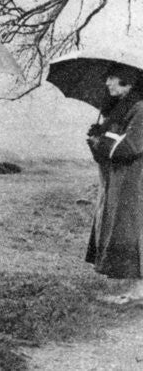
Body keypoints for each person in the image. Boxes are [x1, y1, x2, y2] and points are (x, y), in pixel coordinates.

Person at [86, 64, 143, 304]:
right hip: (123, 180)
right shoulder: (123, 109)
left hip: (136, 181)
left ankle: (139, 290)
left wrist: (101, 141)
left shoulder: (140, 109)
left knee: (136, 229)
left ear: (128, 83)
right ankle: (136, 289)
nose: (108, 83)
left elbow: (129, 146)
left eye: (113, 78)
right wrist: (97, 137)